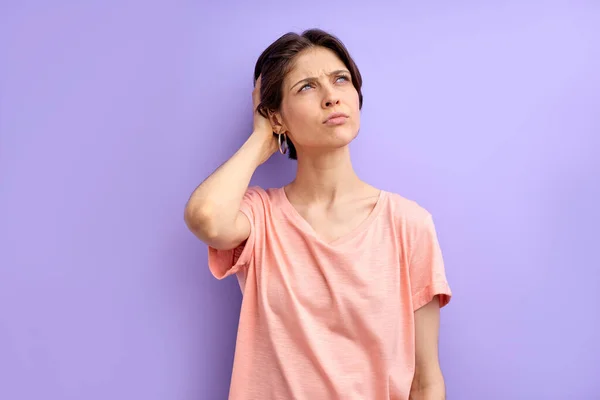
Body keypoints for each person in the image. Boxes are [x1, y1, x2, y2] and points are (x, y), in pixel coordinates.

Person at [184, 28, 452, 400]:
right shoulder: (260, 217)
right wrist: (262, 139)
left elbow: (425, 381)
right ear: (276, 116)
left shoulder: (408, 224)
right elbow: (206, 218)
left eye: (340, 79)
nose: (331, 97)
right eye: (306, 87)